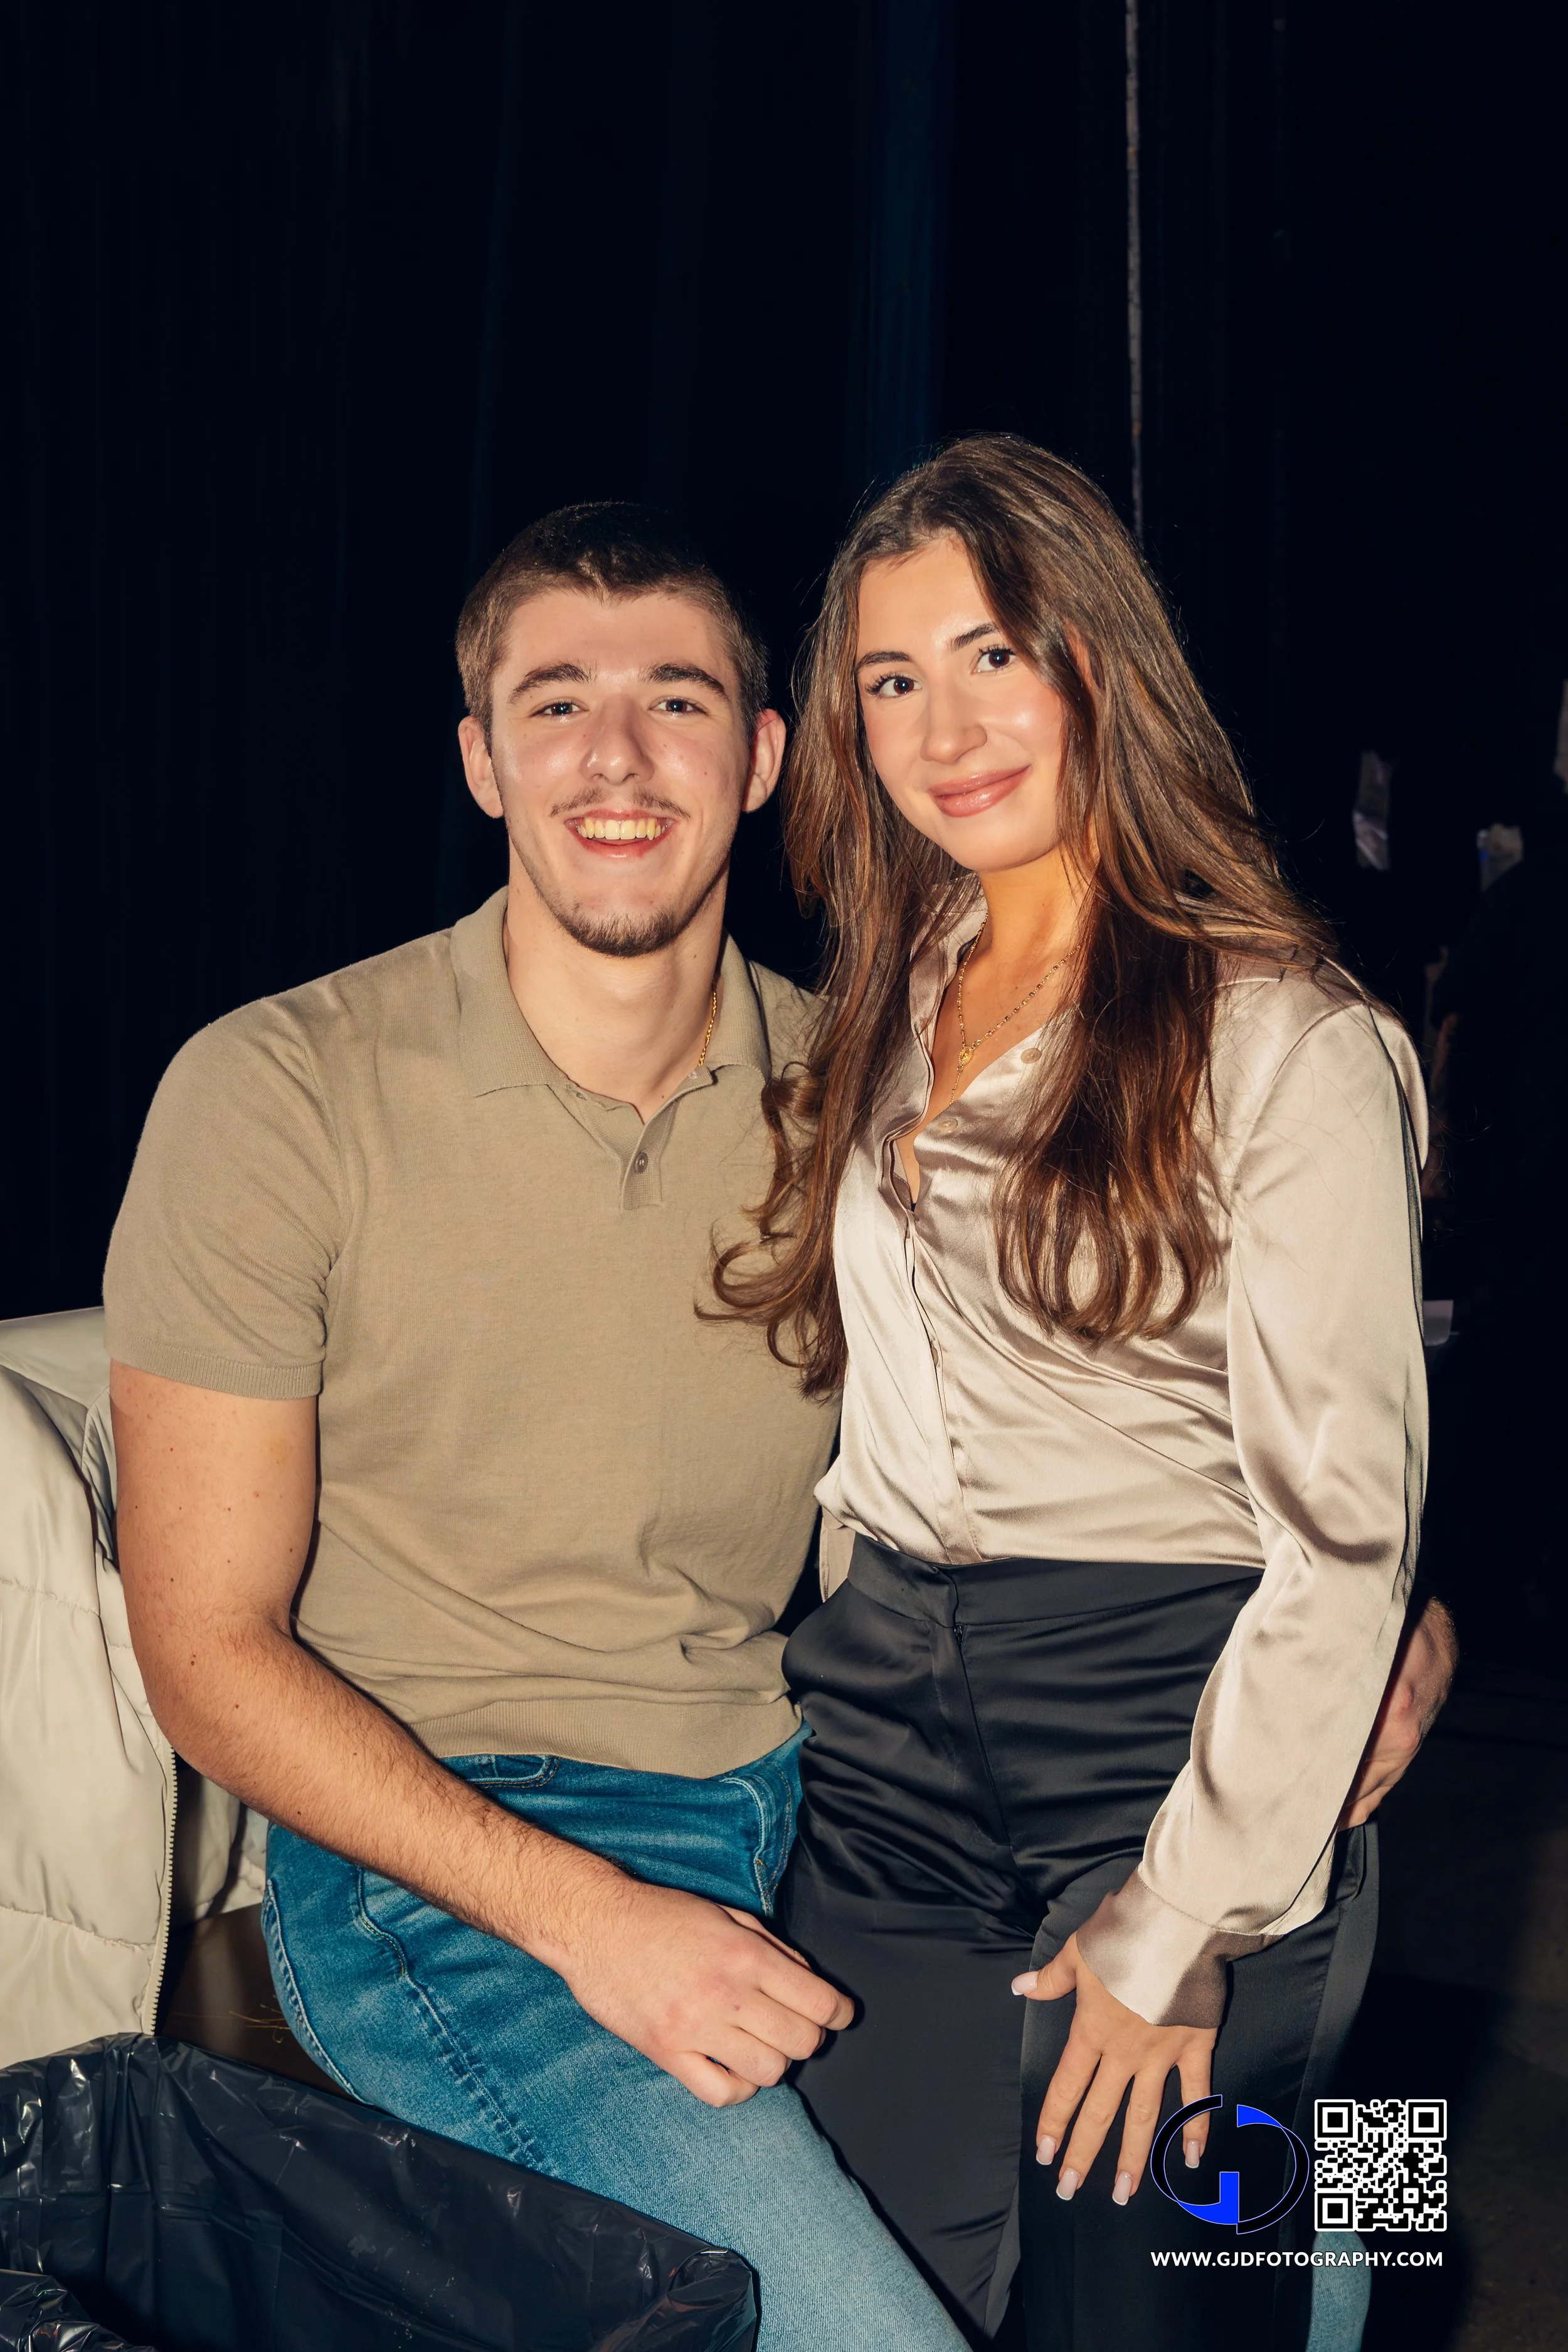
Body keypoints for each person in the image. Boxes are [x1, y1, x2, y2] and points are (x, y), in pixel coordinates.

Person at [103, 505, 969, 2352]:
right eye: (554, 701)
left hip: (833, 1785)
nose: (615, 755)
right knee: (864, 2339)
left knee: (1297, 2216)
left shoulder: (871, 1098)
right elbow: (204, 1652)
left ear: (761, 757)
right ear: (482, 757)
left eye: (676, 697)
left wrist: (1380, 1595)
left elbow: (1136, 1408)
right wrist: (590, 1916)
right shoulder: (277, 1090)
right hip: (462, 1854)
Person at [714, 436, 1456, 2349]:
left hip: (1183, 1722)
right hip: (884, 1738)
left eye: (989, 655)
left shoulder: (1291, 1034)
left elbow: (1346, 1534)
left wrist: (1185, 1915)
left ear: (1098, 665)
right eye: (889, 680)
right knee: (854, 2299)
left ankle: (1347, 2248)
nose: (943, 724)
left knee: (1195, 2288)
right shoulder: (881, 992)